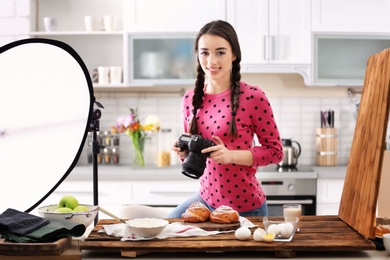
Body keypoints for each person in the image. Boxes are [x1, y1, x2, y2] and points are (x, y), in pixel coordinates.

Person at [167, 20, 283, 218]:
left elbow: (275, 152)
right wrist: (183, 151)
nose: (211, 61)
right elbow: (194, 153)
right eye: (204, 53)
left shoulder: (253, 96)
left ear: (234, 55)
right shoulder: (190, 99)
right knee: (166, 230)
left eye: (220, 52)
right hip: (205, 201)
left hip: (245, 207)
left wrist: (230, 156)